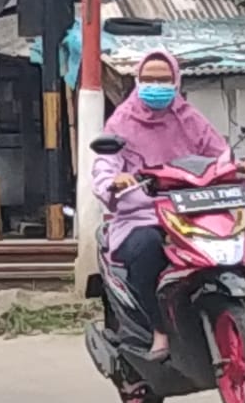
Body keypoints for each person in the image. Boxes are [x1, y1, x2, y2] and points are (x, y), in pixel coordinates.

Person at [91, 50, 228, 360]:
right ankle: (160, 330)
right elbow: (104, 165)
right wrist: (114, 181)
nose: (156, 86)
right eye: (148, 79)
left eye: (163, 80)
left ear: (176, 81)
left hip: (189, 212)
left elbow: (219, 154)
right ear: (137, 81)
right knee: (148, 248)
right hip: (139, 216)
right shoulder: (122, 122)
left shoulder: (190, 119)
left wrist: (240, 168)